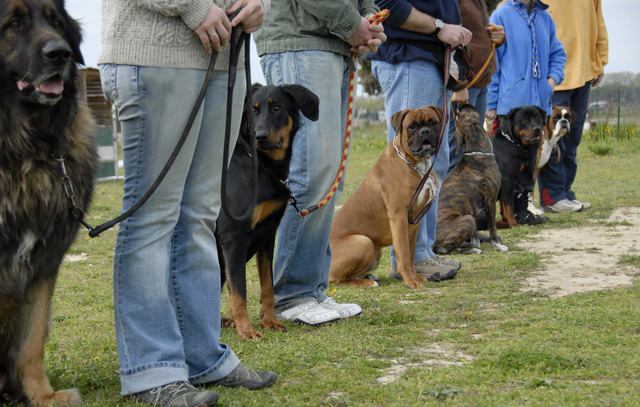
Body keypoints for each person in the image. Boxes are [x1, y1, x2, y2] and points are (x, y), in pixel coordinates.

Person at [99, 1, 276, 405]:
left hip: (224, 62)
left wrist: (258, 5)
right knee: (153, 218)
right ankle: (151, 369)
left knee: (199, 217)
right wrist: (194, 7)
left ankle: (201, 355)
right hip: (155, 54)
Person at [254, 1, 386, 325]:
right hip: (301, 39)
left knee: (328, 173)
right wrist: (351, 23)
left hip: (332, 42)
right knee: (311, 170)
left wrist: (368, 15)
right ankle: (289, 294)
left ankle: (310, 288)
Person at [369, 0, 470, 280]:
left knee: (432, 164)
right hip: (410, 57)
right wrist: (440, 27)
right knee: (408, 168)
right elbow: (388, 4)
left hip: (432, 57)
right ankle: (411, 260)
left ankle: (421, 252)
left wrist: (455, 31)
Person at [486, 0, 566, 225]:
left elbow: (558, 54)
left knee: (529, 166)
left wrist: (551, 81)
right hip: (510, 110)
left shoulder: (545, 18)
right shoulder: (501, 15)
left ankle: (523, 210)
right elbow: (494, 64)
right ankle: (499, 214)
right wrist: (491, 106)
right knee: (507, 167)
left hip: (539, 106)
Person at [538, 0, 608, 213]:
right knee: (555, 140)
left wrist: (601, 60)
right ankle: (552, 196)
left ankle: (566, 193)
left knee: (573, 137)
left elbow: (599, 22)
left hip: (584, 69)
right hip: (555, 74)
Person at [448, 0, 505, 172]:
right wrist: (459, 83)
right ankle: (448, 198)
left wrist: (498, 37)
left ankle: (465, 197)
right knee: (457, 150)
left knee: (472, 149)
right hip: (465, 84)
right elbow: (449, 39)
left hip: (481, 83)